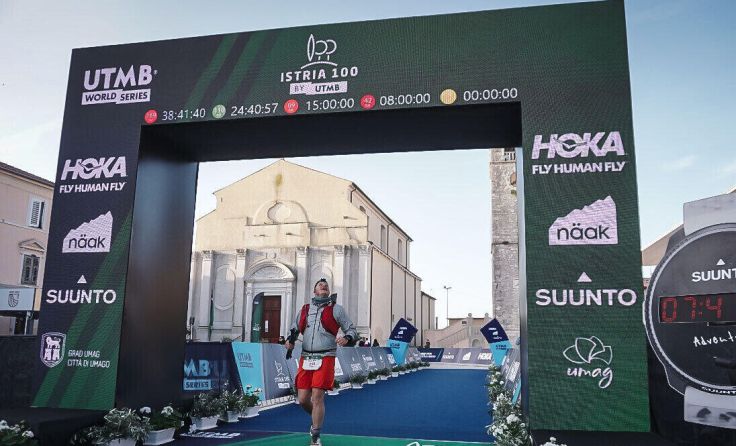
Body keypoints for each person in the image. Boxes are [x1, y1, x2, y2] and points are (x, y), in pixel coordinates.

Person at [285, 279, 357, 446]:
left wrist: (347, 338)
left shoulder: (337, 309)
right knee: (303, 399)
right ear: (314, 291)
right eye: (320, 285)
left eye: (326, 286)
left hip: (326, 357)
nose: (323, 286)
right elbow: (294, 329)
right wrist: (290, 340)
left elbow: (352, 330)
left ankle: (315, 435)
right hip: (306, 357)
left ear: (328, 291)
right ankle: (317, 417)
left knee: (317, 397)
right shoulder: (305, 309)